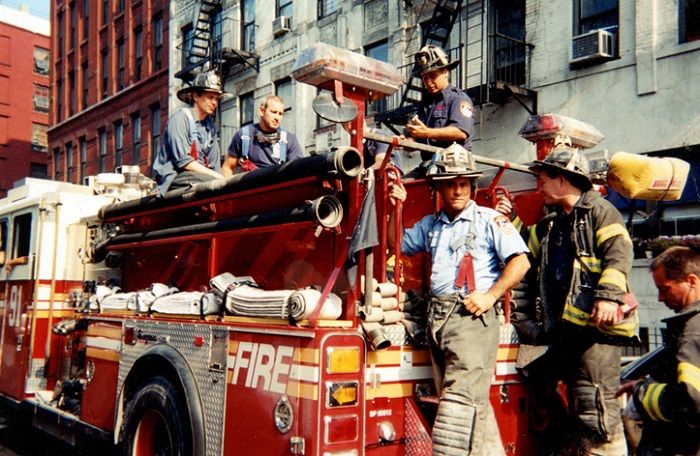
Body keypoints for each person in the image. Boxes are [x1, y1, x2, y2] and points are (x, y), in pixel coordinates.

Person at [388, 144, 530, 455]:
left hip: (472, 321)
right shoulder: (431, 225)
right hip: (438, 320)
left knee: (457, 410)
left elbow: (521, 261)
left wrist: (491, 296)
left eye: (463, 183)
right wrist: (394, 209)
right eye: (450, 183)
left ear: (473, 186)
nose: (457, 190)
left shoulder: (489, 220)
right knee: (470, 404)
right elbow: (396, 243)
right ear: (439, 187)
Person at [516, 145, 638, 456]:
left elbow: (619, 254)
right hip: (567, 334)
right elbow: (523, 246)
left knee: (594, 405)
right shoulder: (555, 222)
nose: (539, 186)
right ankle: (571, 447)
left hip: (596, 333)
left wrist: (608, 297)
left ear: (563, 179)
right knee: (539, 379)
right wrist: (506, 219)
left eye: (543, 179)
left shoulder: (600, 212)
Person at [616, 246, 700, 455]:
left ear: (691, 281)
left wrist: (641, 393)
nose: (660, 299)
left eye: (665, 289)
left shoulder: (692, 333)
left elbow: (692, 401)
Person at [152, 71, 229, 195]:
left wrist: (223, 178)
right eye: (210, 97)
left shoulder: (209, 127)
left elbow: (214, 165)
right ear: (195, 97)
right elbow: (184, 162)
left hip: (198, 176)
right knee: (216, 181)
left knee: (225, 183)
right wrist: (218, 178)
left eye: (216, 98)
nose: (215, 103)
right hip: (175, 176)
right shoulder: (180, 119)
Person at [404, 45, 475, 177]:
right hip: (428, 167)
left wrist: (427, 132)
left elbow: (460, 132)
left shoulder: (458, 98)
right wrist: (406, 142)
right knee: (399, 186)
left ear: (445, 72)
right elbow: (415, 140)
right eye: (425, 78)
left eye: (432, 76)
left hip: (454, 168)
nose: (428, 82)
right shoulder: (425, 105)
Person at [222, 95, 303, 175]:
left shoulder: (289, 140)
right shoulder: (244, 136)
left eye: (280, 114)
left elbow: (298, 172)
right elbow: (227, 167)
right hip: (251, 186)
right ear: (262, 111)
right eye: (274, 112)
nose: (277, 118)